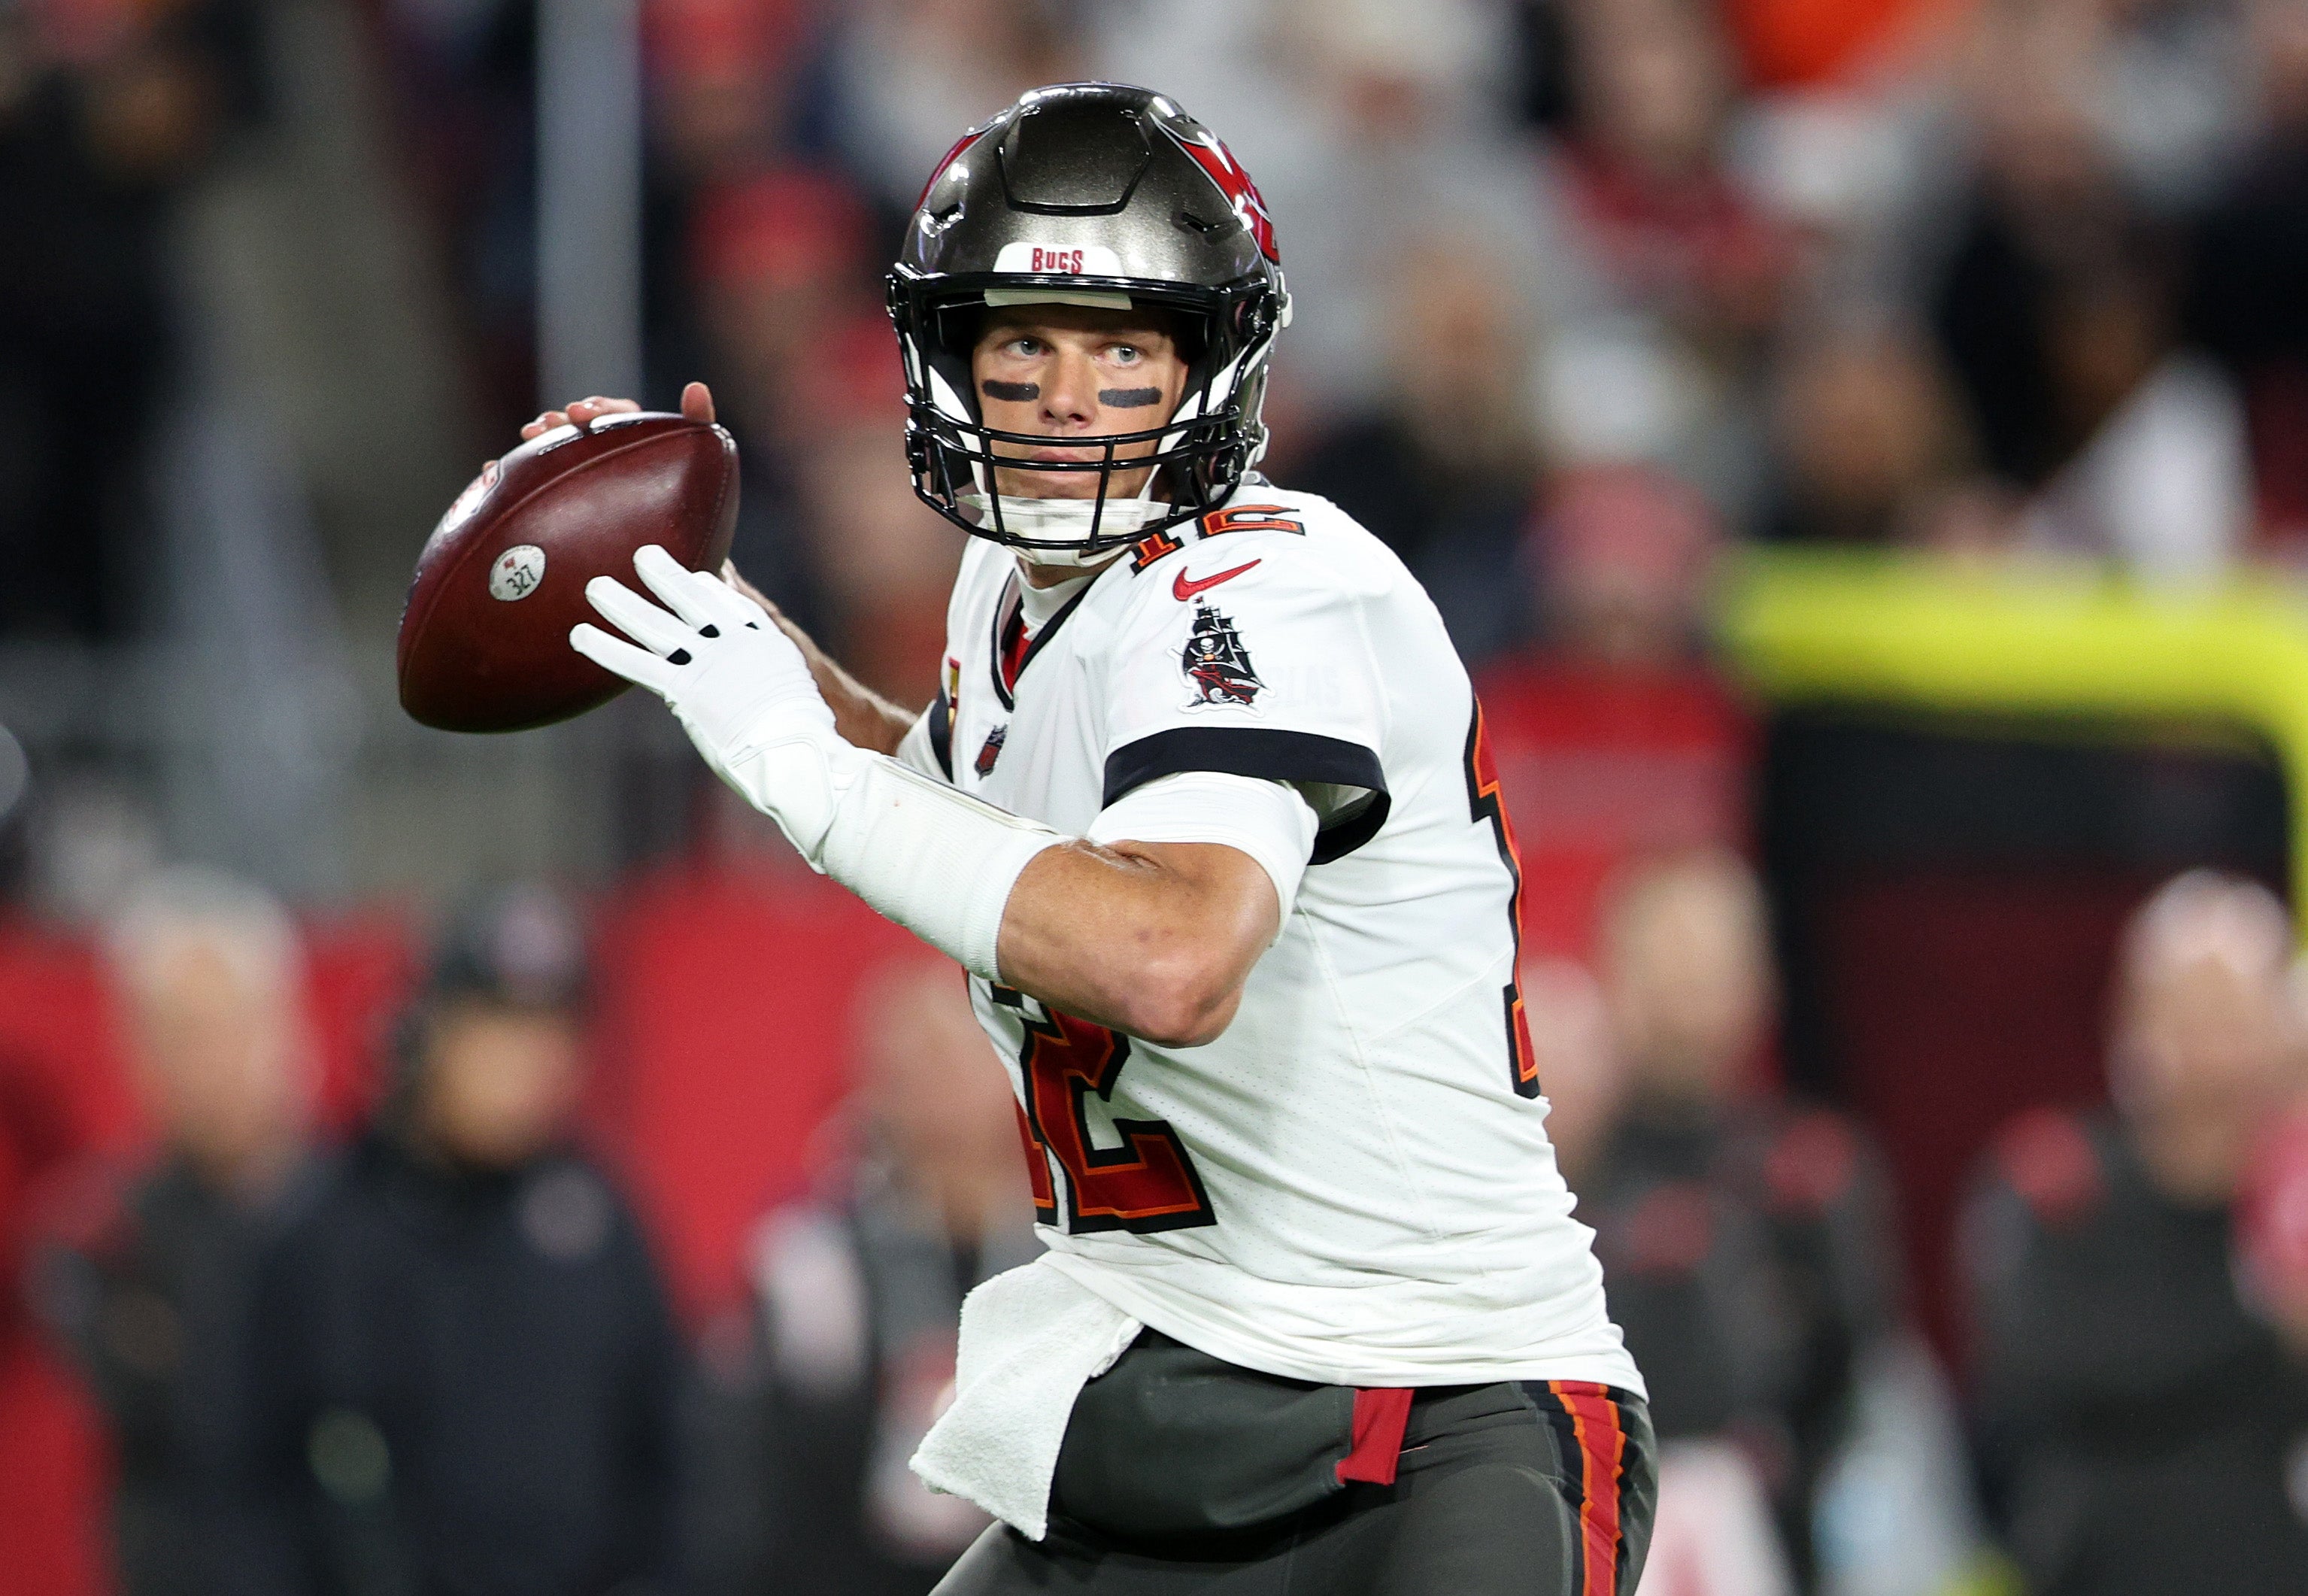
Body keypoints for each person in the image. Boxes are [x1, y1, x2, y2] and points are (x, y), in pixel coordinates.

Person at [538, 81, 1651, 1596]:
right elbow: (953, 821)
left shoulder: (1269, 585)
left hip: (1438, 1411)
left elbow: (1172, 951)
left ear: (1209, 366)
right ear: (952, 362)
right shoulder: (1007, 594)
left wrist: (797, 764)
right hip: (1174, 1394)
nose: (1065, 395)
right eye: (1021, 342)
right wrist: (715, 618)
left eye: (1121, 345)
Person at [246, 884, 685, 1596]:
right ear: (425, 1032)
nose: (531, 1062)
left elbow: (676, 1460)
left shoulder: (598, 1223)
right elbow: (252, 1485)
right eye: (499, 1026)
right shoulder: (326, 1233)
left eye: (554, 1031)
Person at [1959, 870, 2308, 1595]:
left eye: (2234, 1020)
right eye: (2187, 1020)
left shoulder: (2291, 1199)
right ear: (2131, 1023)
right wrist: (2266, 1328)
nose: (2212, 1055)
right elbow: (2037, 1368)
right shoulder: (2057, 1177)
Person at [1580, 850, 1896, 1593]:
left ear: (1760, 984)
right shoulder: (1555, 1170)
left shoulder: (1813, 1174)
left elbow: (1857, 1380)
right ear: (1613, 975)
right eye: (1665, 967)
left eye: (1708, 969)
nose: (1686, 1001)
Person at [699, 957, 1040, 1594]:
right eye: (908, 1065)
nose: (932, 1087)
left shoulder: (1063, 1256)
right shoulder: (812, 1256)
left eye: (950, 1057)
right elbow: (758, 1464)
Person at [34, 867, 317, 1596]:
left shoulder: (357, 1217)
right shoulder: (101, 1238)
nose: (206, 1061)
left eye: (225, 1024)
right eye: (178, 1031)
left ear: (280, 1024)